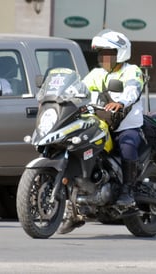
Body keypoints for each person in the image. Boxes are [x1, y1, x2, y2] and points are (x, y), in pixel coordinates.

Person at [58, 29, 144, 234]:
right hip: (100, 123)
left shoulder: (132, 71)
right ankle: (74, 209)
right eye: (101, 54)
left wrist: (120, 102)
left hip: (125, 126)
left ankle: (127, 190)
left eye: (108, 53)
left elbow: (133, 89)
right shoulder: (97, 74)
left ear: (120, 53)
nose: (104, 58)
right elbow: (78, 89)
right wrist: (61, 98)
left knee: (128, 145)